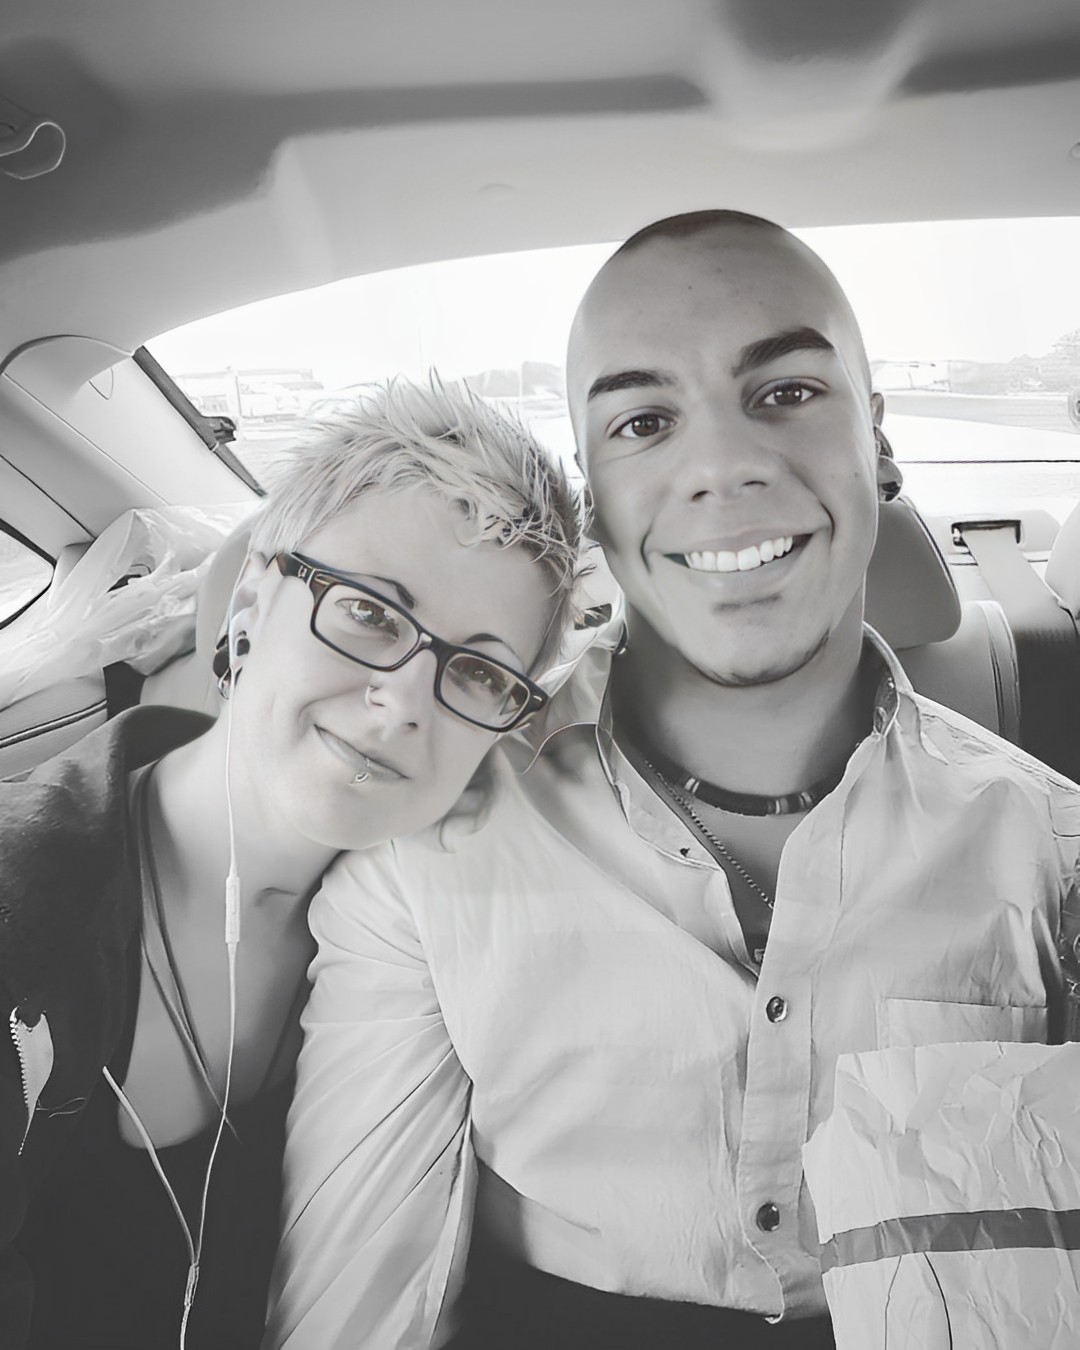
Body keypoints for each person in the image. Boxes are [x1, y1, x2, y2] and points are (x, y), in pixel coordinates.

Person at [265, 213, 1080, 1350]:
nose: (722, 466)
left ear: (881, 446)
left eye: (788, 392)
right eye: (645, 421)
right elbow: (355, 1307)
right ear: (593, 499)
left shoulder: (1051, 850)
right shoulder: (432, 848)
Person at [0, 377, 586, 1350]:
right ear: (248, 608)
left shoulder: (437, 964)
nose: (403, 702)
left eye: (479, 672)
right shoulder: (19, 901)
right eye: (368, 612)